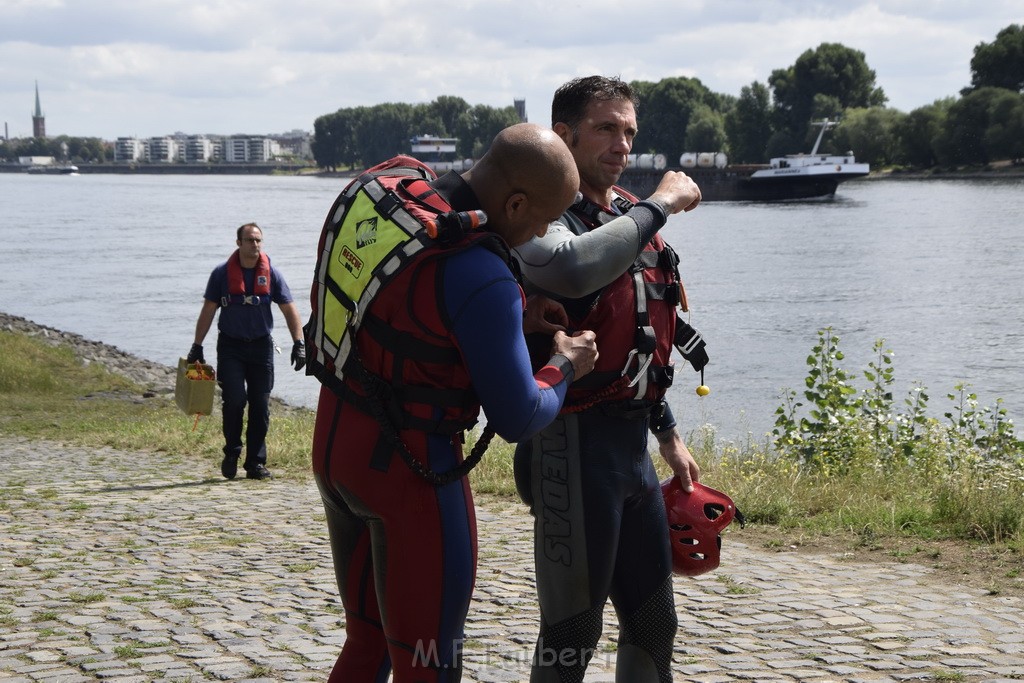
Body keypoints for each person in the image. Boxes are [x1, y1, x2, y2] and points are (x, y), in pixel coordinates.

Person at [310, 122, 600, 683]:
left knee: (365, 642)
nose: (545, 232)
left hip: (336, 447)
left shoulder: (402, 197)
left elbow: (402, 314)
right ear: (515, 203)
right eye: (545, 218)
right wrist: (563, 365)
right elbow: (520, 415)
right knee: (428, 663)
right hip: (411, 474)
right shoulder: (482, 272)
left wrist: (508, 321)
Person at [510, 75, 704, 682]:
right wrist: (663, 203)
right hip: (567, 444)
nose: (622, 145)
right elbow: (576, 266)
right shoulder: (538, 219)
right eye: (605, 129)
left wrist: (666, 430)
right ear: (562, 135)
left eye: (629, 132)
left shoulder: (626, 214)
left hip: (628, 449)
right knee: (572, 630)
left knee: (653, 623)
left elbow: (644, 333)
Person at [187, 222, 305, 481]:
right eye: (250, 240)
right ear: (238, 243)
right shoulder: (221, 274)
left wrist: (299, 343)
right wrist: (197, 345)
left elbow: (289, 309)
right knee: (235, 401)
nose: (255, 244)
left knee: (260, 406)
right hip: (231, 346)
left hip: (261, 347)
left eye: (258, 240)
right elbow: (208, 310)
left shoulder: (272, 273)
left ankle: (255, 464)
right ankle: (232, 451)